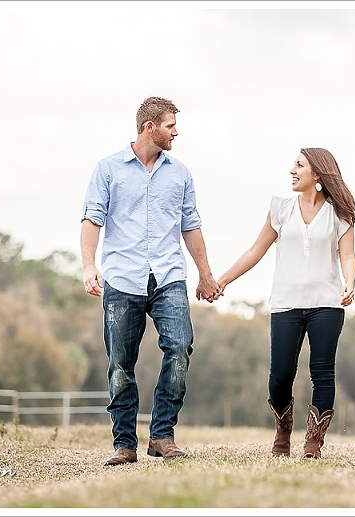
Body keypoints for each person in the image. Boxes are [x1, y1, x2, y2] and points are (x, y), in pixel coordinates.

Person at [80, 96, 221, 467]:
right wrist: (88, 266)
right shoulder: (108, 169)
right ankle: (124, 443)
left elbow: (191, 226)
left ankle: (162, 435)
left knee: (180, 346)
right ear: (149, 127)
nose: (176, 132)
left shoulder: (181, 173)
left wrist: (206, 275)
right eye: (171, 125)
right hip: (122, 278)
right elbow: (92, 218)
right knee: (120, 364)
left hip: (168, 276)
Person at [216, 147, 355, 459]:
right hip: (285, 304)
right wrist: (223, 279)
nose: (292, 170)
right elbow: (256, 250)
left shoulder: (339, 214)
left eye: (299, 165)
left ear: (317, 174)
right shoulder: (280, 208)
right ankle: (283, 429)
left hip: (326, 304)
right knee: (279, 376)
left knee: (322, 371)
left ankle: (312, 443)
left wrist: (350, 282)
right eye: (293, 165)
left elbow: (347, 255)